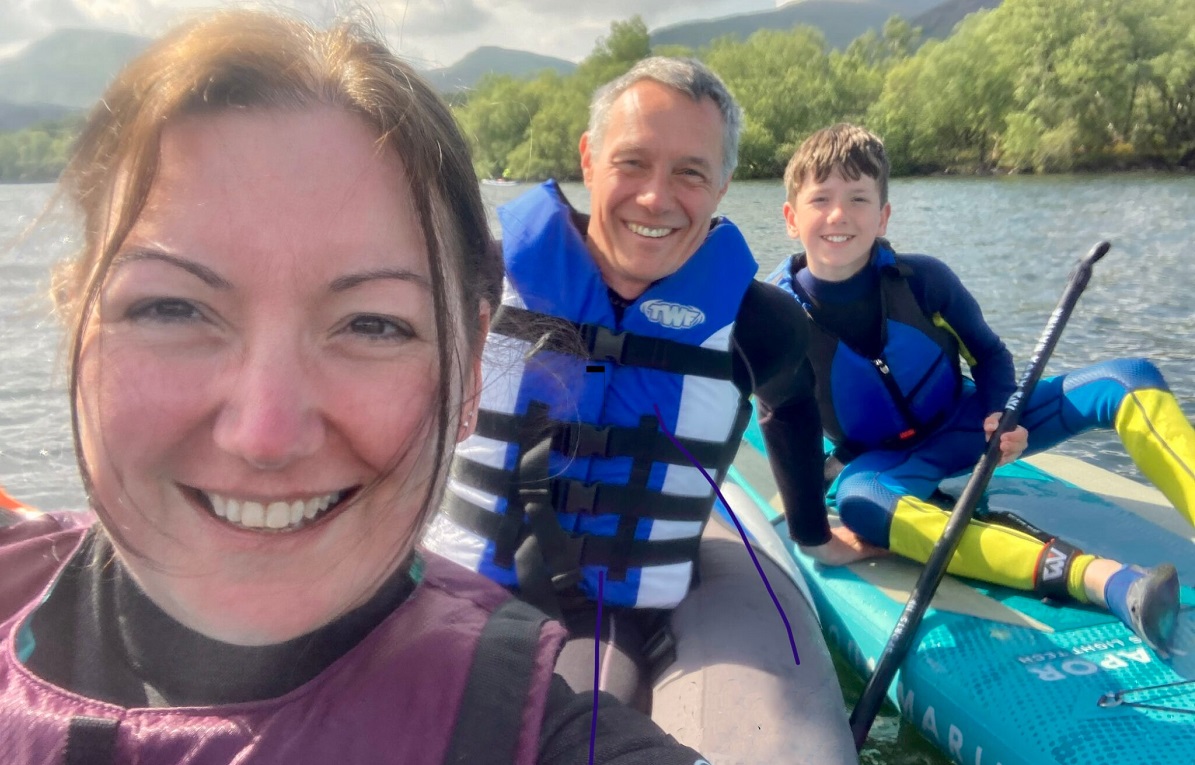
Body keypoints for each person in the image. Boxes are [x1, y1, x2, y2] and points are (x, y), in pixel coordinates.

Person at [0, 11, 714, 764]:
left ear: (468, 366)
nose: (264, 434)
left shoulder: (548, 738)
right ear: (73, 317)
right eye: (170, 307)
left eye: (373, 324)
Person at [424, 58, 857, 763]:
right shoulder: (472, 276)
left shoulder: (760, 325)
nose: (656, 197)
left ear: (721, 185)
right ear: (589, 160)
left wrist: (812, 534)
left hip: (598, 613)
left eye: (690, 172)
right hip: (439, 582)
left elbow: (792, 410)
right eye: (632, 162)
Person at [766, 122, 1193, 652]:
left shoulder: (924, 280)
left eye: (858, 198)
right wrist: (812, 529)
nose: (839, 215)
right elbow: (785, 421)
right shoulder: (776, 317)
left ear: (883, 216)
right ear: (790, 218)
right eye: (821, 199)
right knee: (860, 501)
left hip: (971, 426)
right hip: (885, 463)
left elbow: (990, 355)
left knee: (1128, 379)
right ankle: (1105, 581)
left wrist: (1002, 415)